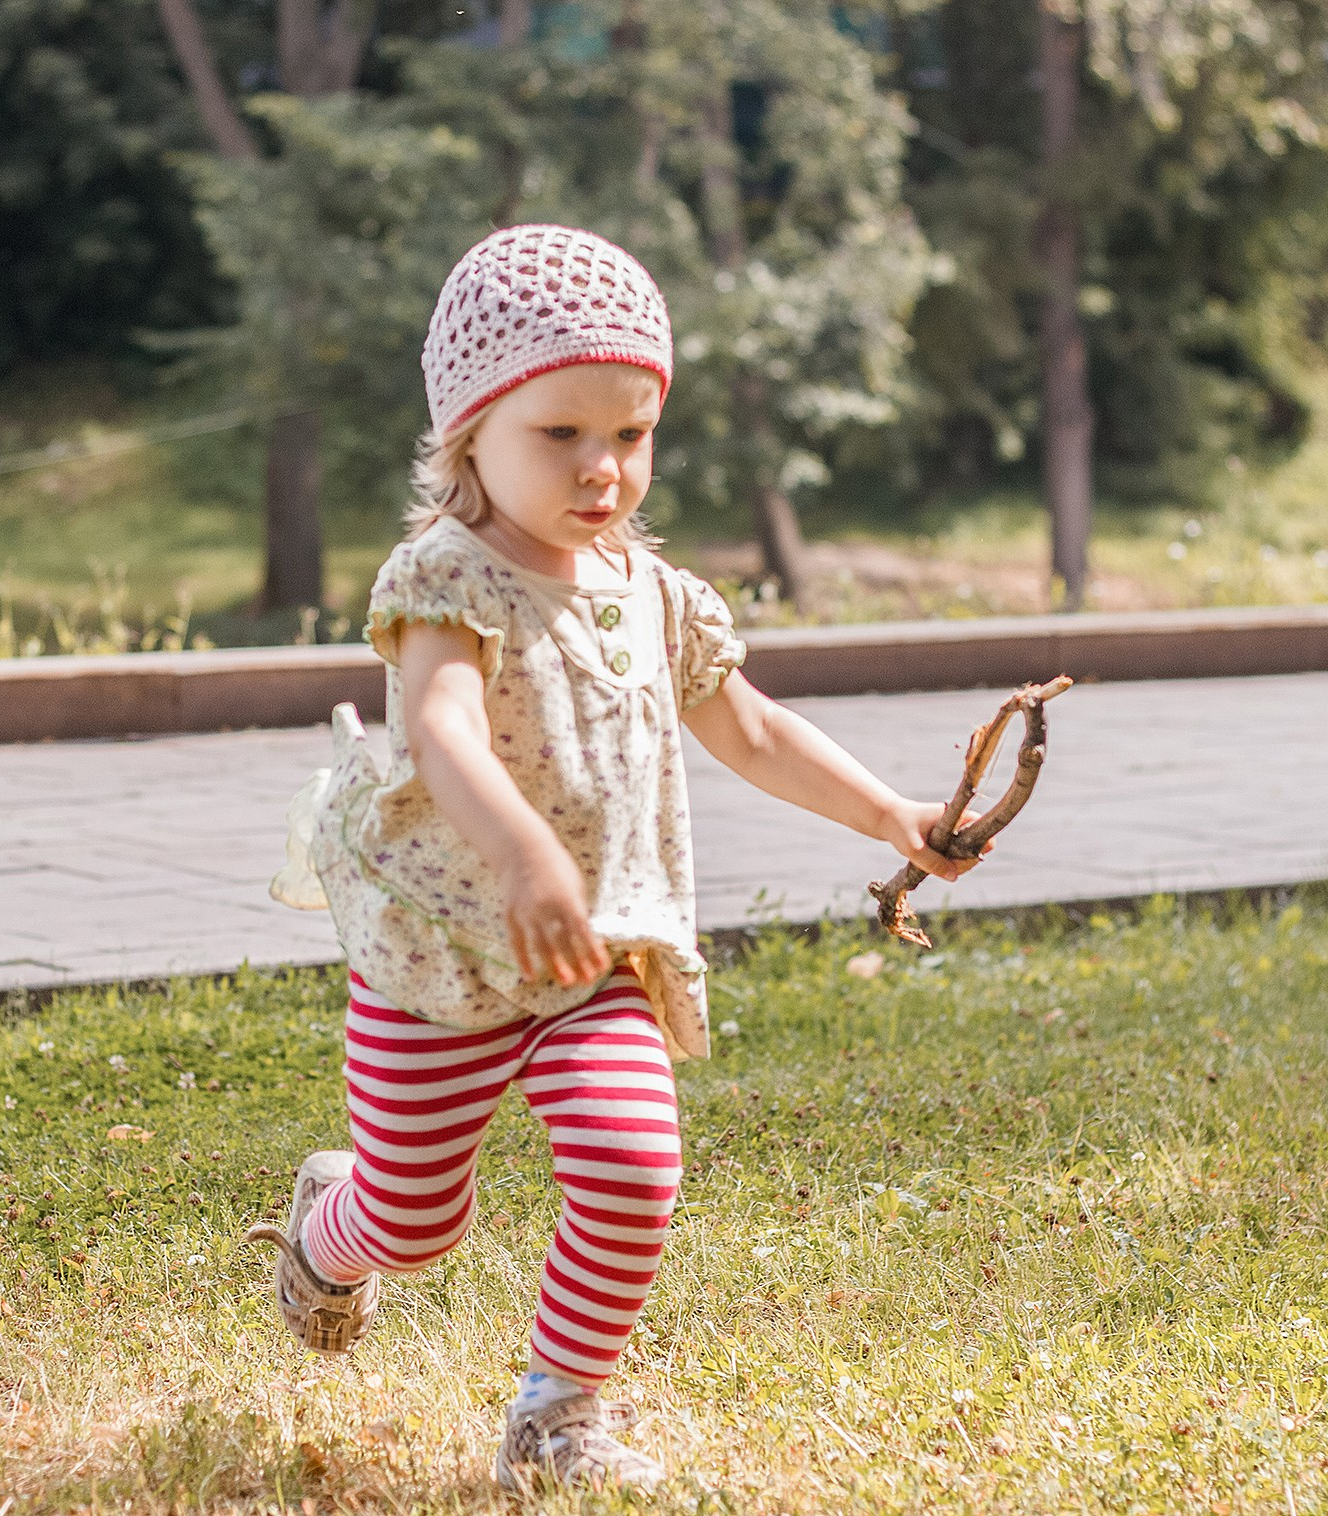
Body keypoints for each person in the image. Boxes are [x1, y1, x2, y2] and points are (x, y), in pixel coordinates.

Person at [257, 224, 978, 1492]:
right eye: (561, 434)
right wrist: (523, 850)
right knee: (415, 1220)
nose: (603, 467)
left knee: (635, 1163)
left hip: (594, 952)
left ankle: (557, 1409)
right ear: (469, 429)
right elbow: (437, 726)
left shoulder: (654, 595)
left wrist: (891, 817)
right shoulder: (446, 578)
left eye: (630, 434)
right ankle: (332, 1235)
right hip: (446, 950)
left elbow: (750, 729)